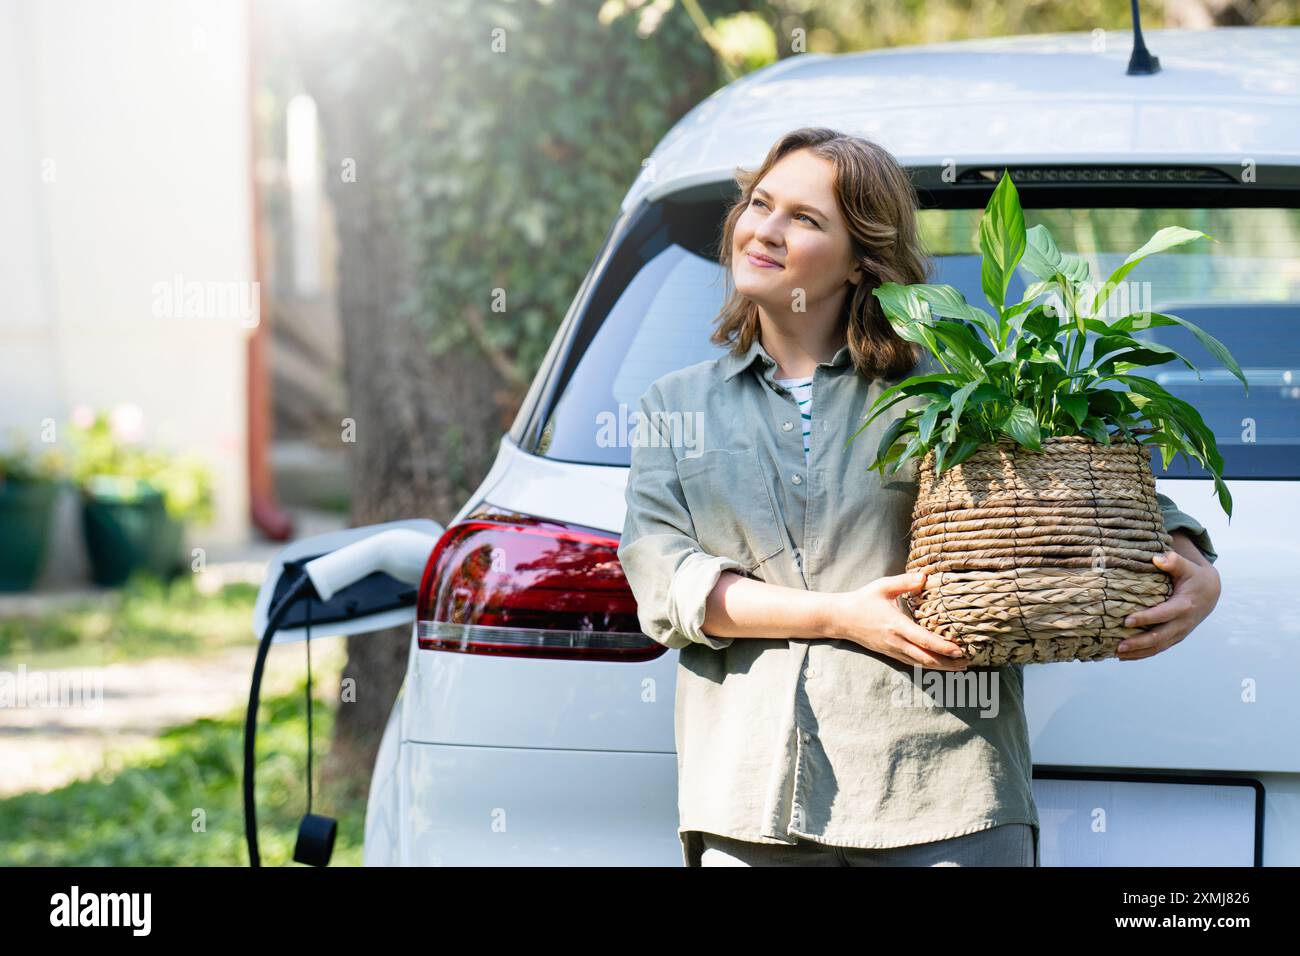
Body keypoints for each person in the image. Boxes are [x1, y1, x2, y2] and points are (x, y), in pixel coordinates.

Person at [616, 127, 1223, 868]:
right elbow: (669, 585)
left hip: (944, 791)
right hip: (752, 805)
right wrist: (841, 616)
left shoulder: (956, 388)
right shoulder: (673, 407)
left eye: (804, 220)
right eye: (759, 203)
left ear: (863, 260)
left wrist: (1194, 563)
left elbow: (1084, 488)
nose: (764, 230)